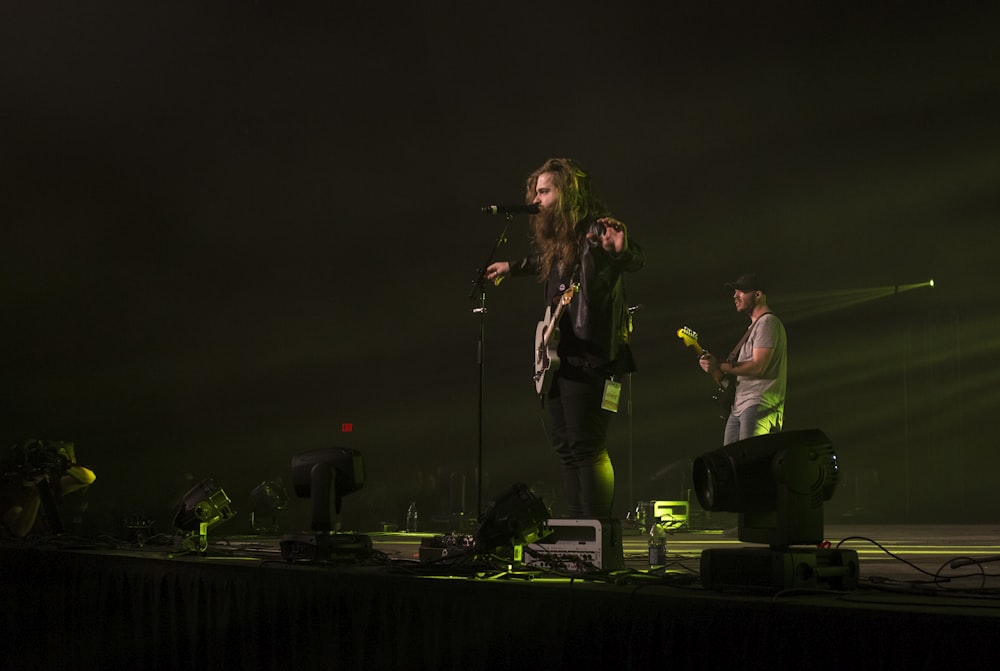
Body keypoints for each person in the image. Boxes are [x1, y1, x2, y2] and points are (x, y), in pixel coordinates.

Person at [484, 158, 644, 519]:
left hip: (592, 355)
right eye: (535, 192)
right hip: (561, 353)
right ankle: (578, 530)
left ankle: (597, 531)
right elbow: (545, 262)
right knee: (566, 447)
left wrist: (623, 250)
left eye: (545, 191)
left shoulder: (593, 229)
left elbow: (634, 256)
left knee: (588, 446)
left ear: (567, 193)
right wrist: (511, 267)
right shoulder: (560, 238)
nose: (537, 199)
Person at [698, 273, 787, 445]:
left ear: (758, 295)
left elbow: (758, 367)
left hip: (758, 404)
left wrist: (721, 365)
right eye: (735, 292)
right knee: (732, 465)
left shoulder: (767, 322)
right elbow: (737, 375)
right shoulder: (754, 327)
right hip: (739, 407)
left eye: (741, 291)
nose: (735, 296)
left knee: (748, 464)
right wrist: (715, 369)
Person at [0, 440, 96, 537]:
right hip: (23, 549)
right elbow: (20, 530)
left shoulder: (51, 483)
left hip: (51, 546)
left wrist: (60, 464)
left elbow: (89, 478)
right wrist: (37, 492)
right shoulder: (8, 490)